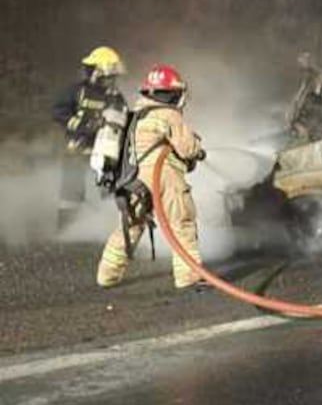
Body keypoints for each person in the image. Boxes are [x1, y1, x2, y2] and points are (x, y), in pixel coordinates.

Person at [96, 64, 207, 290]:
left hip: (133, 181)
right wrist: (199, 150)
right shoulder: (169, 114)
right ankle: (189, 277)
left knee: (130, 226)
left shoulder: (136, 115)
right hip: (165, 178)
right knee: (181, 224)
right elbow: (187, 148)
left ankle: (106, 275)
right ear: (172, 93)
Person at [51, 46, 127, 229]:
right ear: (95, 73)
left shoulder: (116, 97)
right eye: (108, 76)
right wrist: (85, 125)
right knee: (71, 191)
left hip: (105, 150)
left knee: (108, 187)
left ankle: (110, 228)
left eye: (113, 77)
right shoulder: (76, 92)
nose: (111, 81)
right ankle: (66, 230)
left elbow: (123, 118)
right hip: (77, 148)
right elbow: (58, 113)